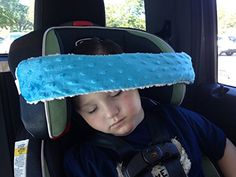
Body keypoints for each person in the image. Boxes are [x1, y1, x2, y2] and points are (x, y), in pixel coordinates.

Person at [64, 37, 236, 177]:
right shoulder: (85, 160)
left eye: (116, 94)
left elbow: (222, 147)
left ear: (137, 83)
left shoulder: (177, 119)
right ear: (79, 114)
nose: (111, 113)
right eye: (92, 110)